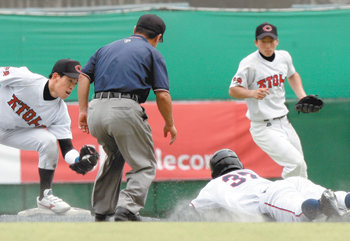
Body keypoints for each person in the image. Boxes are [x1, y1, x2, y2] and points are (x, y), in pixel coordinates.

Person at [78, 14, 177, 222]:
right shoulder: (152, 52)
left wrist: (83, 110)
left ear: (135, 28)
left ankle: (102, 209)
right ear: (158, 37)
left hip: (96, 109)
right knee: (144, 164)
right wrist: (170, 123)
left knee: (114, 155)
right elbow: (162, 94)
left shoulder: (105, 48)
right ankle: (128, 207)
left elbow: (84, 76)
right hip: (124, 108)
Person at [0, 59, 98, 214]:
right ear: (55, 76)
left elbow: (66, 148)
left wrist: (79, 160)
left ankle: (45, 197)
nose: (72, 86)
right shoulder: (26, 79)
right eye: (69, 80)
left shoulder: (59, 111)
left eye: (75, 83)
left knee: (49, 141)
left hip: (11, 132)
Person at [229, 22, 310, 179]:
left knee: (301, 168)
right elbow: (233, 90)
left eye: (271, 40)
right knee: (295, 163)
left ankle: (301, 200)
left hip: (284, 122)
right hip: (263, 126)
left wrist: (302, 96)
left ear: (277, 41)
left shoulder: (284, 57)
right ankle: (289, 198)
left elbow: (292, 75)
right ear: (256, 42)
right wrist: (252, 93)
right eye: (263, 41)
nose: (267, 44)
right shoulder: (249, 64)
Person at [189, 149, 350, 222]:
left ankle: (322, 207)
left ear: (214, 171)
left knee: (299, 214)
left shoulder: (213, 185)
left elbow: (191, 210)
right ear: (239, 164)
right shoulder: (248, 173)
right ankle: (342, 200)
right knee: (336, 196)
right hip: (292, 183)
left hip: (270, 197)